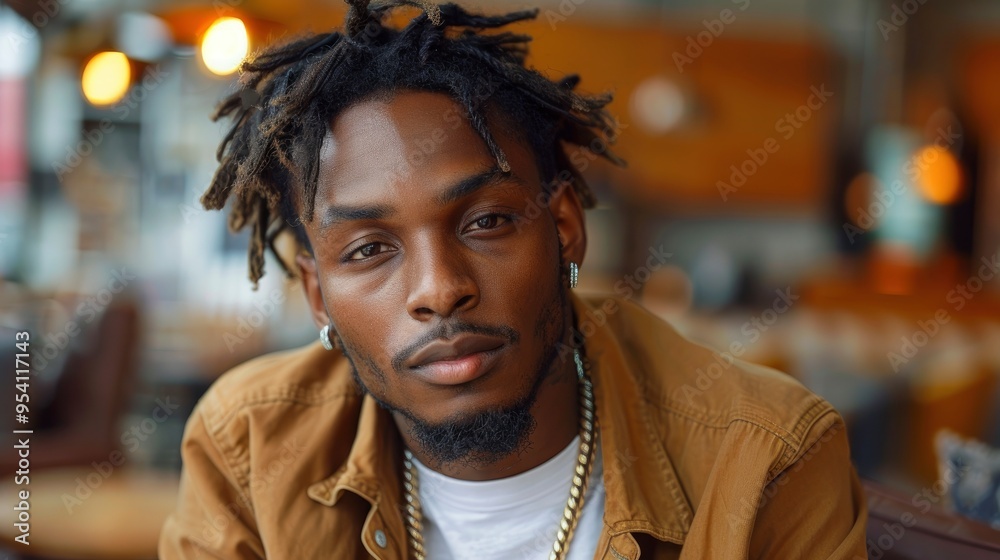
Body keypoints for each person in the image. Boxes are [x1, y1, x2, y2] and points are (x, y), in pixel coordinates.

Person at [159, 1, 868, 558]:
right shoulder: (246, 447)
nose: (439, 289)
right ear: (317, 294)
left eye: (487, 223)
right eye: (370, 249)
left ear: (563, 228)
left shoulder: (767, 456)